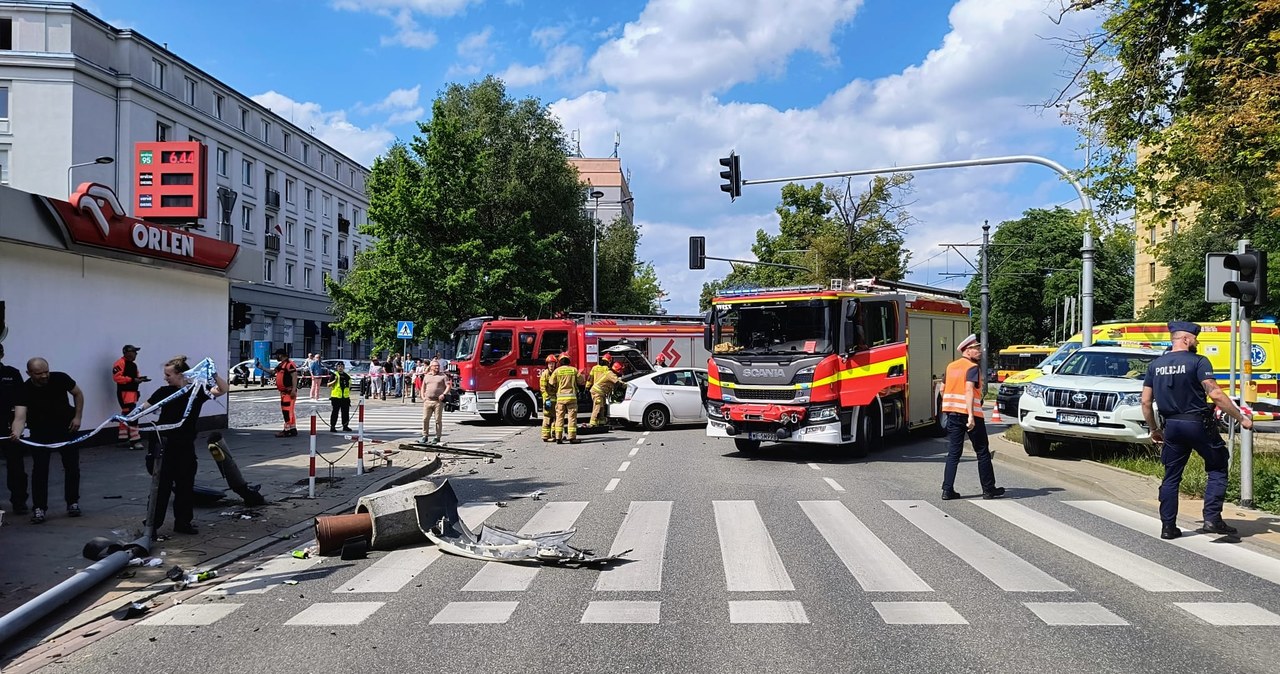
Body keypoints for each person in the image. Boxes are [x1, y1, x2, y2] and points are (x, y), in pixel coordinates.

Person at [1141, 321, 1251, 540]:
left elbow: (1145, 402)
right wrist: (1241, 418)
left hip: (1171, 426)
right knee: (1218, 465)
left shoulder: (1155, 365)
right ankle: (1212, 519)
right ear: (1185, 339)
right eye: (1195, 338)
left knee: (1171, 476)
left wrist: (1154, 429)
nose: (1197, 342)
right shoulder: (1198, 361)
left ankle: (1168, 527)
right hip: (1198, 424)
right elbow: (1216, 394)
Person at [139, 355, 226, 535]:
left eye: (168, 374)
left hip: (185, 446)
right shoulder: (163, 392)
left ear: (180, 374)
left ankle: (183, 523)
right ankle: (152, 526)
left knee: (185, 486)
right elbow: (144, 407)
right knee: (161, 487)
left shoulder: (196, 392)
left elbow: (222, 389)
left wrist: (214, 374)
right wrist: (135, 413)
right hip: (164, 446)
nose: (165, 378)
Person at [9, 357, 85, 523]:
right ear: (29, 373)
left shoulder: (60, 378)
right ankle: (39, 508)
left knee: (72, 466)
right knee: (40, 470)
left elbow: (78, 394)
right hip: (40, 433)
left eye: (46, 371)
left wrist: (77, 417)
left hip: (66, 429)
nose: (44, 376)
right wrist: (16, 432)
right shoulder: (24, 389)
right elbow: (20, 417)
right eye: (39, 373)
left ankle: (73, 502)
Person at [940, 334, 1003, 501]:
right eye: (976, 348)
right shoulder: (972, 368)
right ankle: (988, 490)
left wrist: (947, 406)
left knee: (954, 452)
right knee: (982, 452)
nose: (980, 351)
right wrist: (970, 416)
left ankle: (947, 490)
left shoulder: (951, 367)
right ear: (967, 351)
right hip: (971, 415)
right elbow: (968, 389)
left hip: (952, 414)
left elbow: (941, 388)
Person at [1, 343, 28, 516]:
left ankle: (19, 502)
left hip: (9, 427)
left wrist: (18, 426)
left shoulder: (11, 374)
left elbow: (22, 402)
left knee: (16, 467)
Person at [111, 344, 149, 450]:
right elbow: (117, 378)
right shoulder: (120, 363)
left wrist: (139, 379)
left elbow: (135, 376)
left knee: (126, 414)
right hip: (125, 393)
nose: (136, 354)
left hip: (132, 393)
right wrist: (132, 380)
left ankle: (123, 438)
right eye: (134, 351)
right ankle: (135, 440)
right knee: (132, 415)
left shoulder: (133, 365)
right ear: (127, 352)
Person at [551, 354, 585, 444]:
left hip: (560, 398)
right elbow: (581, 381)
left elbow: (551, 383)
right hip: (571, 398)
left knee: (559, 418)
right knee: (572, 418)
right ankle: (572, 437)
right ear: (568, 361)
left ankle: (558, 437)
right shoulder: (573, 370)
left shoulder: (557, 371)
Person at [419, 360, 451, 443]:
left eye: (438, 366)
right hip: (428, 401)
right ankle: (425, 436)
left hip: (438, 402)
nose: (437, 367)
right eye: (436, 366)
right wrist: (423, 397)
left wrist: (444, 394)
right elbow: (423, 387)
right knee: (425, 419)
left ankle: (437, 436)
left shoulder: (443, 376)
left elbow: (448, 386)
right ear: (431, 367)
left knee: (438, 420)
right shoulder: (427, 376)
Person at [272, 349, 298, 437]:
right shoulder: (281, 365)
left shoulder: (289, 364)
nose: (275, 357)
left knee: (287, 411)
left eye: (276, 355)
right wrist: (261, 367)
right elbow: (273, 372)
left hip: (288, 392)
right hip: (284, 392)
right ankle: (292, 429)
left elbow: (294, 376)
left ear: (280, 355)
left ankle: (287, 430)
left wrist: (293, 390)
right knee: (289, 410)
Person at [590, 361, 624, 427]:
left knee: (602, 408)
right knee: (597, 407)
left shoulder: (610, 373)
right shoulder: (611, 374)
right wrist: (625, 386)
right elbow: (617, 382)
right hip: (597, 392)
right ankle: (592, 424)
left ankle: (601, 423)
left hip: (600, 393)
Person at [585, 355, 613, 427]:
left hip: (596, 390)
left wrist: (587, 387)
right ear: (609, 362)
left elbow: (590, 378)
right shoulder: (607, 369)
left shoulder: (595, 368)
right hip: (600, 391)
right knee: (597, 407)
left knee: (601, 406)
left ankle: (601, 421)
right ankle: (593, 422)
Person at [328, 361, 353, 433]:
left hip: (345, 398)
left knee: (345, 413)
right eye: (339, 366)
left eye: (342, 366)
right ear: (336, 367)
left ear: (344, 367)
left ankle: (345, 426)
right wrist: (335, 381)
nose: (340, 368)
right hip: (336, 397)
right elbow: (328, 385)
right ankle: (332, 426)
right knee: (335, 413)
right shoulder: (334, 375)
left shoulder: (347, 376)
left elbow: (349, 386)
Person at [539, 354, 558, 442]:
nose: (551, 365)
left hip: (556, 399)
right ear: (547, 364)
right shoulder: (545, 374)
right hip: (548, 400)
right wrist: (546, 399)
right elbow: (542, 388)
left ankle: (554, 435)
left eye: (553, 363)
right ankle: (545, 436)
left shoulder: (556, 373)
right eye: (550, 363)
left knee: (555, 418)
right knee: (547, 417)